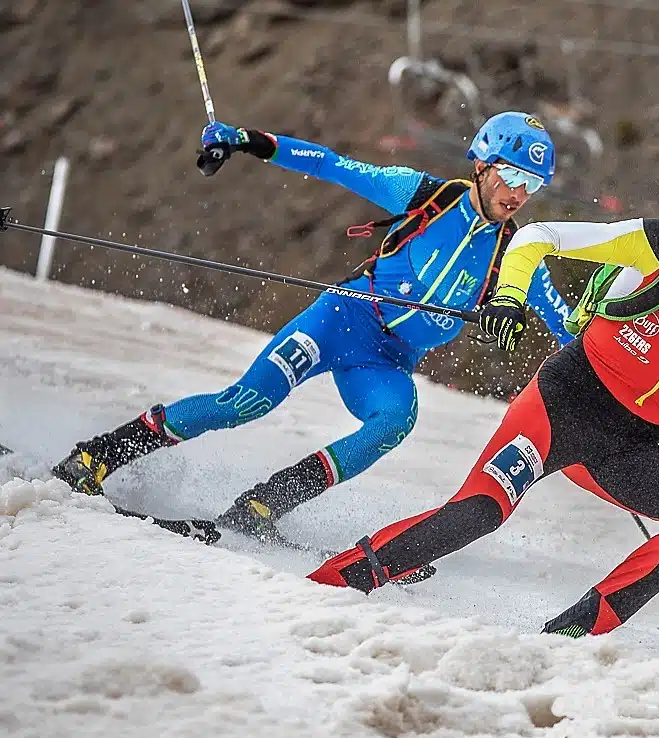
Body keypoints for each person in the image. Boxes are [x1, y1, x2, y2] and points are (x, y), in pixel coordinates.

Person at [306, 158, 659, 634]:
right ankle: (333, 584)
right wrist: (507, 295)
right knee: (479, 513)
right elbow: (536, 238)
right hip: (563, 405)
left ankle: (569, 636)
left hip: (628, 447)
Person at [52, 111, 575, 552]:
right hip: (341, 320)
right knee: (247, 402)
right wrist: (249, 142)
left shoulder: (516, 254)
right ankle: (95, 457)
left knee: (395, 419)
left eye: (532, 186)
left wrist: (607, 372)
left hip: (387, 361)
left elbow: (564, 322)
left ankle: (264, 505)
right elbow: (332, 165)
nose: (519, 194)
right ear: (483, 166)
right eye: (512, 177)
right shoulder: (426, 196)